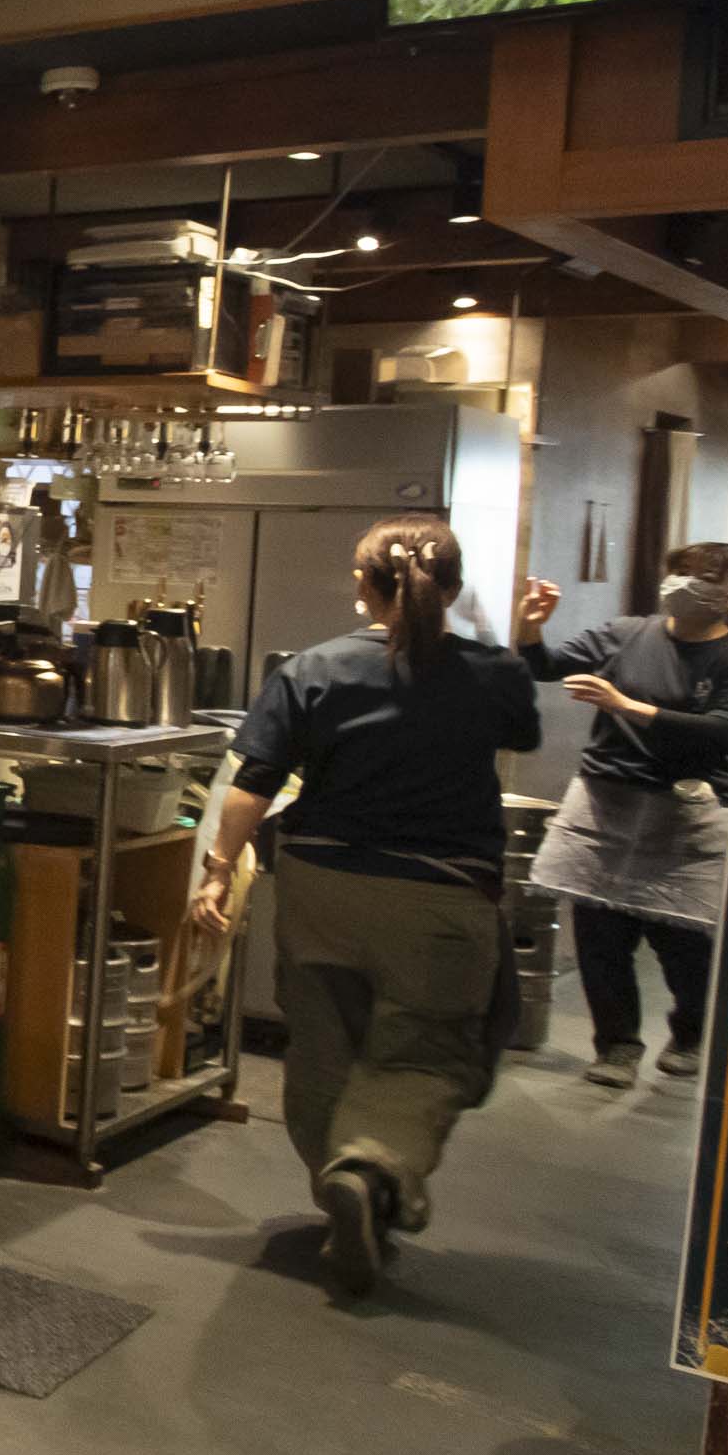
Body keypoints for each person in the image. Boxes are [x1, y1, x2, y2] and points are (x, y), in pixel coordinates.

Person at [193, 517, 539, 1299]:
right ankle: (372, 1166)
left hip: (321, 887)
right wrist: (508, 636)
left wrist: (217, 871)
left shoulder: (312, 669)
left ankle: (344, 1190)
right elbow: (518, 727)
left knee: (324, 1044)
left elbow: (253, 784)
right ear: (454, 587)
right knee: (427, 1052)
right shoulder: (494, 673)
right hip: (440, 897)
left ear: (362, 586)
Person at [517, 541, 728, 1087]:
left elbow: (727, 731)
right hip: (605, 803)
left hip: (690, 814)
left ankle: (691, 1033)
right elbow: (544, 666)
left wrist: (626, 706)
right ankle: (616, 1047)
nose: (682, 585)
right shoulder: (627, 633)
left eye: (703, 578)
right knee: (601, 937)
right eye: (678, 572)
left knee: (685, 942)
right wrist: (532, 627)